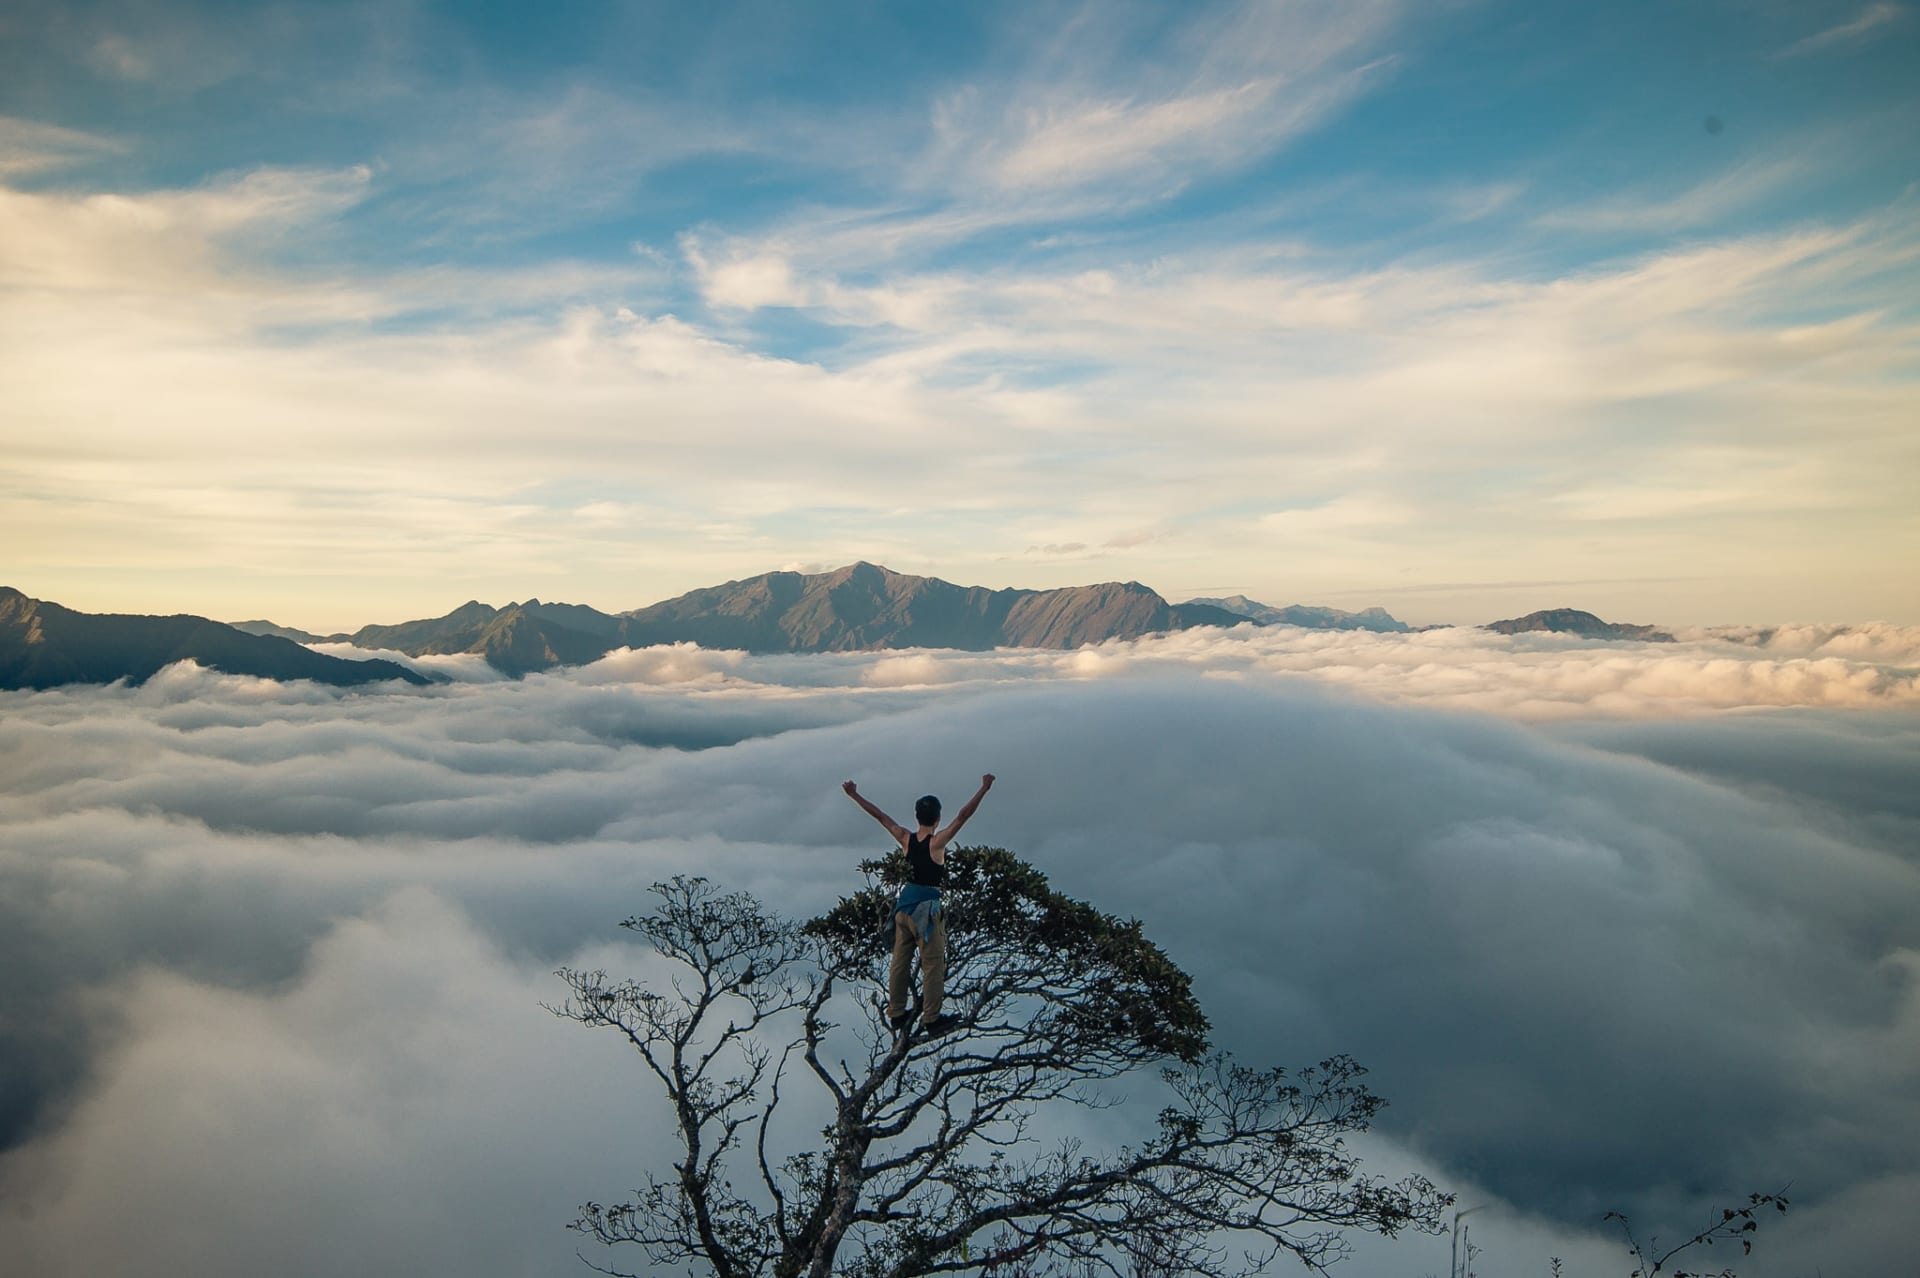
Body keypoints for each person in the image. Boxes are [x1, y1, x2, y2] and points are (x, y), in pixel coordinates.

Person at [841, 773, 995, 1036]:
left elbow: (880, 816)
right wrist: (984, 788)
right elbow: (963, 816)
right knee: (933, 964)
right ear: (937, 819)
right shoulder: (937, 844)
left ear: (916, 817)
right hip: (926, 910)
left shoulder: (905, 838)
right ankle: (931, 1018)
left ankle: (897, 1012)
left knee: (900, 962)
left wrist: (854, 794)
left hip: (903, 908)